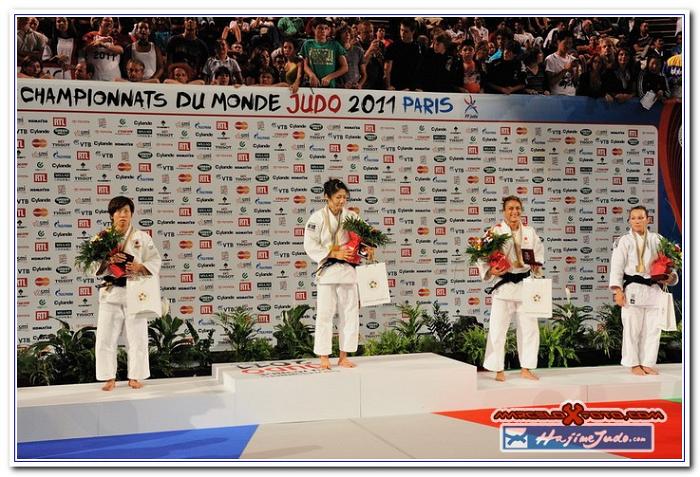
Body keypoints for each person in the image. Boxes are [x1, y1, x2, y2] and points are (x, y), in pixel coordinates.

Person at [94, 196, 161, 391]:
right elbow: (90, 266)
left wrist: (141, 266)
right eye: (118, 211)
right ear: (111, 215)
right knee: (106, 337)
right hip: (111, 292)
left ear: (131, 214)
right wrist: (107, 261)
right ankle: (108, 377)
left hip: (136, 293)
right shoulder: (102, 239)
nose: (122, 215)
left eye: (126, 211)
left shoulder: (142, 237)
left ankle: (135, 376)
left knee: (138, 338)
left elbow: (155, 260)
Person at [303, 179, 371, 370]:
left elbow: (364, 240)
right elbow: (310, 245)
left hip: (348, 271)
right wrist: (333, 252)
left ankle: (343, 356)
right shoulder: (316, 219)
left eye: (345, 197)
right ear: (327, 197)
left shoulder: (351, 217)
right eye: (338, 197)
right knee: (325, 314)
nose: (342, 201)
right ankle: (324, 356)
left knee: (349, 314)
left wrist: (368, 250)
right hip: (328, 271)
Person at [478, 196, 544, 382]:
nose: (514, 212)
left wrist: (536, 266)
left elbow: (539, 254)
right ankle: (498, 369)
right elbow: (482, 256)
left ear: (521, 210)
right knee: (498, 329)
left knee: (529, 328)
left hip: (525, 286)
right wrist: (491, 270)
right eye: (510, 209)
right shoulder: (495, 232)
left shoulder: (530, 232)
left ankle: (526, 368)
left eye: (517, 208)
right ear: (504, 211)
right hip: (504, 285)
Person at [609, 206, 678, 376]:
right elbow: (617, 267)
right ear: (629, 221)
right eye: (633, 218)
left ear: (648, 219)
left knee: (653, 329)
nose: (637, 221)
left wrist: (671, 277)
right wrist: (617, 290)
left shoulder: (658, 239)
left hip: (654, 289)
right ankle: (633, 364)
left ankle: (648, 363)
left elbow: (669, 263)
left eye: (640, 217)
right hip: (634, 288)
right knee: (632, 328)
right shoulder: (624, 241)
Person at [300, 18, 348, 88]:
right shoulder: (307, 44)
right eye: (320, 28)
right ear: (314, 29)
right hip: (312, 85)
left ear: (329, 30)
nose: (323, 31)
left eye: (326, 28)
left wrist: (330, 77)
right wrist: (311, 74)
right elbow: (305, 65)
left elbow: (345, 67)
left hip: (330, 85)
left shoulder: (335, 45)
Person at [384, 18, 423, 91]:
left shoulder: (419, 47)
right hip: (397, 87)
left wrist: (419, 86)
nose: (402, 33)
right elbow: (387, 69)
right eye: (401, 30)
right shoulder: (392, 47)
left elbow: (421, 69)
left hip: (413, 87)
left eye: (406, 31)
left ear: (413, 32)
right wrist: (388, 86)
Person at [82, 17, 125, 81]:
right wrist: (97, 42)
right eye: (106, 20)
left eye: (111, 22)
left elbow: (120, 50)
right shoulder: (91, 35)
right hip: (95, 76)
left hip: (113, 76)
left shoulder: (115, 37)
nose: (109, 23)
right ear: (100, 23)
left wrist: (104, 44)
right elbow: (85, 49)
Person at [545, 30, 580, 96]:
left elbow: (575, 82)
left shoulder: (573, 59)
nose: (568, 46)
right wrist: (565, 70)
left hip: (572, 96)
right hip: (557, 97)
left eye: (570, 43)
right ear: (558, 42)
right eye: (566, 43)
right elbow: (551, 82)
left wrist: (576, 70)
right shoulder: (550, 59)